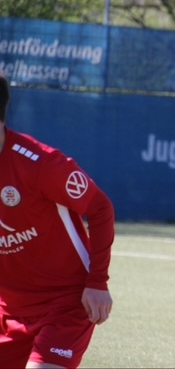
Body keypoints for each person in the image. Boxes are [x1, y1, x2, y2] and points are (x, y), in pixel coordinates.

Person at [0, 74, 115, 369]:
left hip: (65, 304)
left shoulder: (41, 164)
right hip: (8, 310)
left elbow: (100, 208)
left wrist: (98, 282)